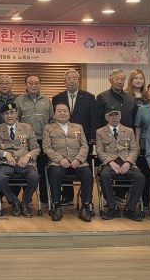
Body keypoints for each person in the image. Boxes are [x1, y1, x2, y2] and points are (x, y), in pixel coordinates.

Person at [52, 69, 97, 205]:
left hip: (83, 141)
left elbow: (93, 118)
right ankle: (67, 196)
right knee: (64, 167)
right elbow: (54, 118)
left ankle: (86, 199)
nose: (72, 81)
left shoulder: (89, 97)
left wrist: (92, 138)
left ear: (79, 81)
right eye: (69, 78)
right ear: (64, 81)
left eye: (74, 78)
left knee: (83, 169)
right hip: (62, 140)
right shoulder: (57, 98)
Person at [42, 103, 93, 222]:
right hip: (58, 162)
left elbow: (85, 145)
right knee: (55, 174)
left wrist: (78, 159)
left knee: (87, 174)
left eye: (65, 111)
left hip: (78, 162)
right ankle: (57, 206)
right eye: (59, 111)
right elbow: (46, 148)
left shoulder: (78, 127)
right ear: (54, 114)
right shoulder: (48, 128)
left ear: (69, 113)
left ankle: (85, 207)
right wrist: (60, 159)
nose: (62, 113)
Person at [96, 104, 145, 221]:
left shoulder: (129, 131)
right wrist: (110, 162)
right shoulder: (100, 132)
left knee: (140, 178)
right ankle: (113, 209)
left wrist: (128, 162)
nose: (114, 117)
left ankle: (130, 209)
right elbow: (99, 150)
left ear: (120, 115)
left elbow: (134, 149)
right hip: (110, 164)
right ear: (106, 117)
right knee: (104, 176)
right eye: (111, 115)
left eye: (116, 114)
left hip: (126, 163)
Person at [0, 102, 40, 217]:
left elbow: (36, 148)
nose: (9, 116)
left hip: (25, 163)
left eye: (11, 112)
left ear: (16, 113)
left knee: (34, 178)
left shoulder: (27, 127)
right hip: (6, 163)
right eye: (6, 113)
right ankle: (14, 201)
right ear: (2, 116)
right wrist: (5, 154)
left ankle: (25, 202)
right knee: (0, 179)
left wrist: (27, 156)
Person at [15, 74, 53, 207]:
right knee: (26, 168)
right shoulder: (19, 100)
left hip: (43, 140)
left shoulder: (47, 101)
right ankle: (28, 198)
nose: (34, 85)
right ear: (26, 85)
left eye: (36, 83)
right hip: (24, 141)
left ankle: (44, 199)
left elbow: (52, 121)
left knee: (43, 170)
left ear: (40, 84)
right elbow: (15, 121)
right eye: (30, 83)